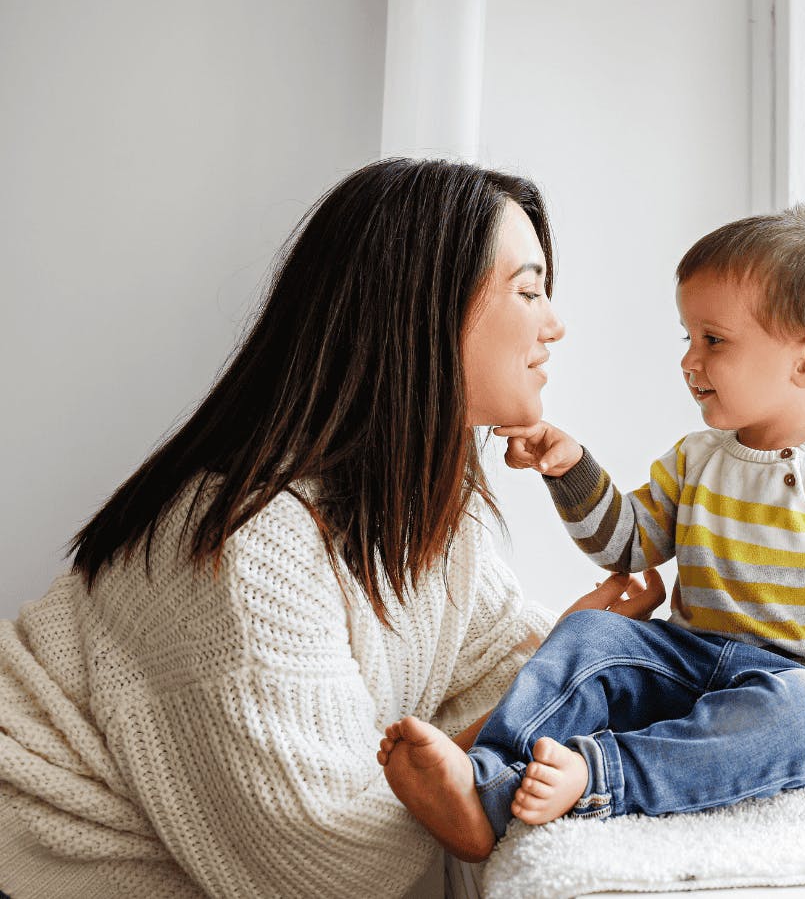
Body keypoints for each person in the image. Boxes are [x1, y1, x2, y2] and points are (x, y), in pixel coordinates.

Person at [0, 157, 662, 898]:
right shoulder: (248, 546)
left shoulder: (428, 514)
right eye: (529, 290)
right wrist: (503, 721)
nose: (555, 323)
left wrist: (570, 653)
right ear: (420, 309)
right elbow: (338, 865)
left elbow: (493, 675)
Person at [377, 204, 805, 860]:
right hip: (687, 662)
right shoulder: (696, 458)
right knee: (592, 634)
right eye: (688, 337)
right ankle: (482, 782)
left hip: (789, 685)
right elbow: (629, 545)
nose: (689, 360)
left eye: (714, 340)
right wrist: (571, 469)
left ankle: (597, 775)